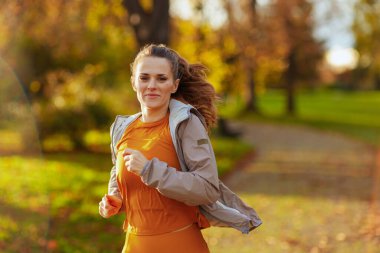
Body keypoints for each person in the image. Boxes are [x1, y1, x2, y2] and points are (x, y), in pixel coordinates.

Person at [99, 44, 262, 253]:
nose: (152, 85)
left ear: (174, 85)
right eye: (144, 77)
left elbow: (208, 188)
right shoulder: (122, 129)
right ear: (133, 82)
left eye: (161, 78)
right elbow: (117, 172)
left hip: (180, 244)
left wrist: (151, 171)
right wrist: (114, 199)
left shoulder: (186, 124)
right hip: (134, 245)